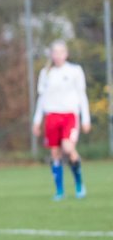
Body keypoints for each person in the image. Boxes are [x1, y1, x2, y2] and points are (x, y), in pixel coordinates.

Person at [31, 39, 91, 199]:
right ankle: (59, 191)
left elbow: (81, 95)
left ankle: (78, 182)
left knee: (68, 148)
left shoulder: (75, 71)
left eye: (60, 52)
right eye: (54, 52)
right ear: (51, 54)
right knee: (55, 153)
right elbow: (41, 98)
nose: (57, 56)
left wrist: (86, 118)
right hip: (51, 116)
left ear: (66, 54)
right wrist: (36, 121)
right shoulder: (46, 73)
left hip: (70, 115)